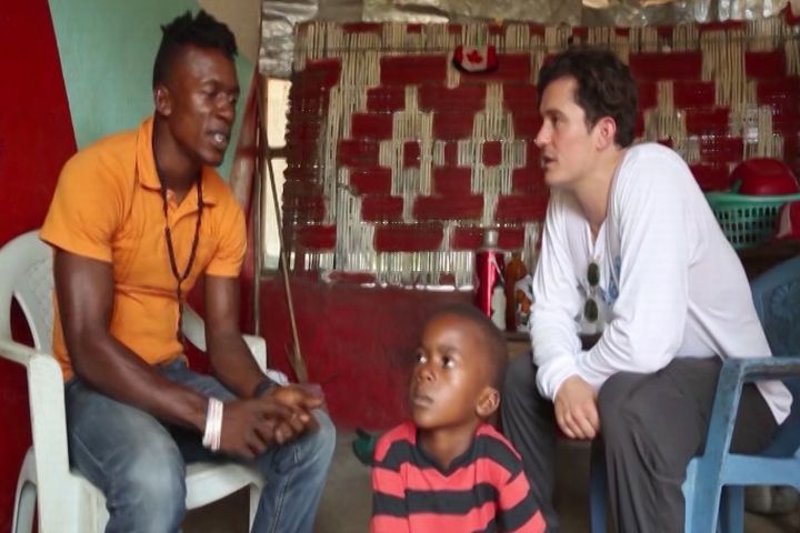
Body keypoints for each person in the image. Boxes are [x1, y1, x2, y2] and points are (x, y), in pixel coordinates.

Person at [40, 10, 335, 532]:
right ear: (164, 99)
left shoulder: (221, 209)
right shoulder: (95, 176)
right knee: (154, 476)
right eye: (210, 94)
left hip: (170, 378)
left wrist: (267, 396)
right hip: (92, 391)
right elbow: (87, 345)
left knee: (312, 438)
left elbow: (222, 337)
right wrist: (213, 417)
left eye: (232, 98)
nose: (226, 112)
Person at [501, 46, 792, 532]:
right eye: (541, 121)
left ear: (603, 132)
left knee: (627, 403)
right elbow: (549, 311)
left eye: (556, 121)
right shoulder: (564, 202)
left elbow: (646, 340)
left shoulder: (651, 175)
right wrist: (562, 378)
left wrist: (576, 380)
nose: (539, 137)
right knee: (521, 379)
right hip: (657, 373)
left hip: (741, 389)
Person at [371, 303, 546, 533]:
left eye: (446, 362)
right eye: (420, 357)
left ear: (486, 401)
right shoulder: (393, 454)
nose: (424, 372)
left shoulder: (499, 459)